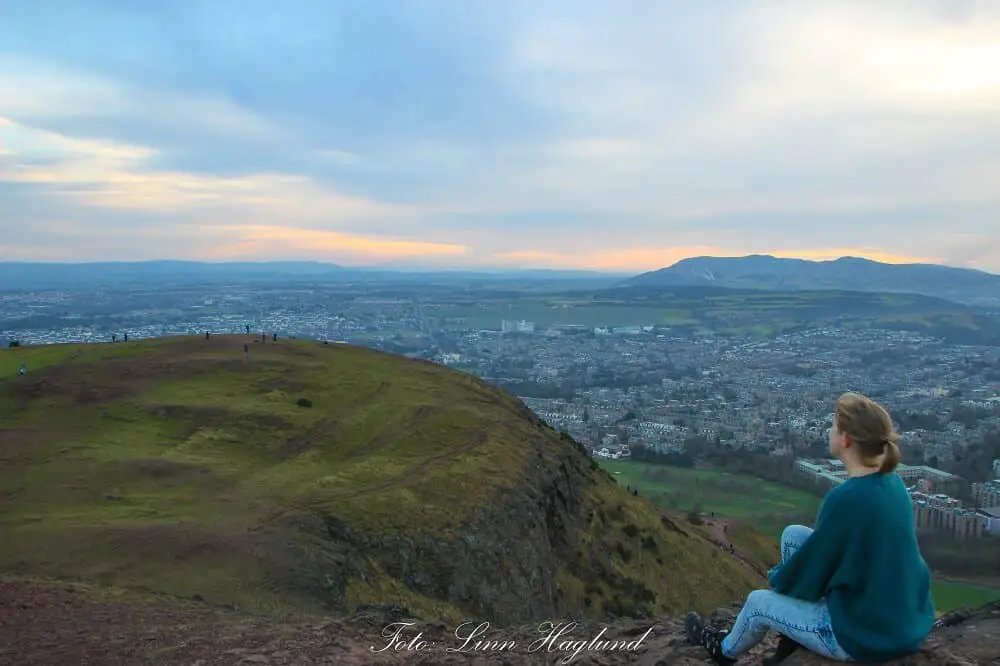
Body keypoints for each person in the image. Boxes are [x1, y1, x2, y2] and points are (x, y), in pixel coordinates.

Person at [685, 392, 935, 665]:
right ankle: (794, 634)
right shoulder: (893, 483)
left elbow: (814, 566)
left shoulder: (846, 499)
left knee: (758, 602)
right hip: (896, 618)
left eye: (833, 426)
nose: (828, 431)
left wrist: (778, 580)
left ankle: (723, 650)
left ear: (846, 439)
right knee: (793, 535)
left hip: (859, 637)